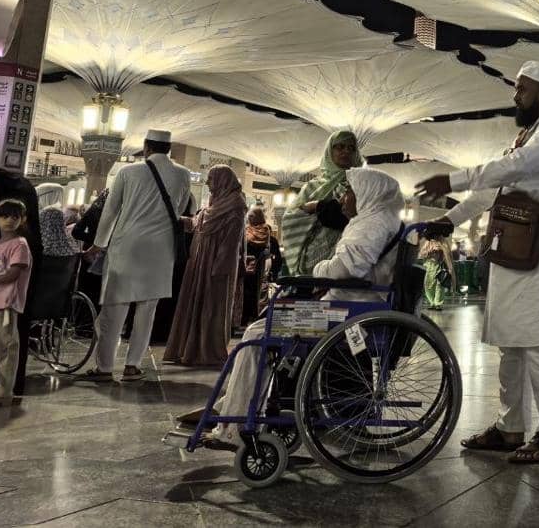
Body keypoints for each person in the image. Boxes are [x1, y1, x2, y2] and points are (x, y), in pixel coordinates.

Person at [415, 60, 539, 465]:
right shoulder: (529, 132)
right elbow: (496, 187)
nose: (516, 95)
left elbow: (517, 166)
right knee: (511, 344)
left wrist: (453, 180)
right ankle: (510, 428)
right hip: (514, 248)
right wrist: (450, 219)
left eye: (523, 88)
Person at [181, 168, 404, 443]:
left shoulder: (372, 225)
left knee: (255, 335)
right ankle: (229, 406)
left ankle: (234, 425)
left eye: (348, 191)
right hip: (351, 307)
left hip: (345, 312)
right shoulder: (381, 220)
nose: (342, 199)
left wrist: (319, 268)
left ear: (366, 193)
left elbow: (343, 270)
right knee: (264, 325)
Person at [83, 129, 193, 383]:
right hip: (161, 250)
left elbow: (111, 211)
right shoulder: (183, 174)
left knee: (114, 309)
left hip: (128, 246)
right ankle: (132, 366)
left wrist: (98, 244)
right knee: (147, 311)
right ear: (169, 149)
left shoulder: (128, 172)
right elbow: (181, 209)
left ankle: (105, 367)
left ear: (146, 147)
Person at [163, 166, 247, 367]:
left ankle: (206, 350)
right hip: (200, 262)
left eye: (211, 178)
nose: (208, 182)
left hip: (215, 266)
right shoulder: (215, 202)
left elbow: (231, 242)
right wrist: (179, 220)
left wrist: (219, 269)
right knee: (196, 302)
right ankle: (189, 349)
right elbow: (197, 224)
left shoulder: (235, 205)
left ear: (222, 180)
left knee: (211, 305)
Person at [279, 129, 362, 277]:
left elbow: (359, 218)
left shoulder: (362, 184)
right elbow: (291, 217)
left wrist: (317, 207)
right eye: (340, 147)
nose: (346, 151)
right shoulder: (313, 187)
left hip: (347, 259)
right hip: (312, 260)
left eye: (351, 148)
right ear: (330, 151)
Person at [0, 200, 32, 408]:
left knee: (6, 346)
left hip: (5, 303)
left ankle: (4, 390)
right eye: (5, 216)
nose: (10, 220)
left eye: (15, 216)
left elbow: (13, 274)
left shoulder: (19, 244)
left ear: (22, 220)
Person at [240, 208, 281, 324]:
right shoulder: (265, 232)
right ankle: (251, 316)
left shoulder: (249, 232)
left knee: (249, 292)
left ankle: (247, 317)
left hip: (251, 268)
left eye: (251, 217)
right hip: (257, 268)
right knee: (255, 292)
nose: (249, 219)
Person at [420, 233, 455, 310]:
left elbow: (447, 254)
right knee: (428, 286)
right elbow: (422, 254)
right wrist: (428, 252)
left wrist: (440, 250)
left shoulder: (443, 242)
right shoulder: (428, 242)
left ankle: (438, 303)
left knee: (439, 286)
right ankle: (432, 302)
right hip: (428, 267)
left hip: (439, 267)